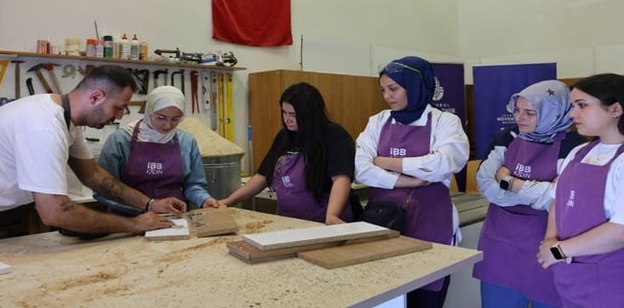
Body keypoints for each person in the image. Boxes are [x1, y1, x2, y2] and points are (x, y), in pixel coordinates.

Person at [0, 65, 186, 246]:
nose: (119, 116)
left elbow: (93, 175)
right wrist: (134, 224)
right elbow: (55, 213)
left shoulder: (68, 121)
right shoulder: (43, 127)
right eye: (118, 107)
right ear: (96, 96)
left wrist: (150, 204)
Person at [355, 56, 469, 308]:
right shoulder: (378, 121)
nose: (387, 96)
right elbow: (360, 169)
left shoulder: (445, 121)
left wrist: (384, 161)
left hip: (430, 226)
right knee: (387, 298)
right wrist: (408, 181)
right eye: (383, 90)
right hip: (383, 226)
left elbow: (444, 163)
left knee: (425, 298)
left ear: (415, 86)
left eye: (393, 89)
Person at [473, 80, 586, 308]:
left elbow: (561, 198)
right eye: (516, 110)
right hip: (500, 244)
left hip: (546, 244)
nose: (519, 118)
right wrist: (540, 193)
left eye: (530, 113)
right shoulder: (504, 138)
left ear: (554, 112)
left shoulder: (574, 147)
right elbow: (486, 186)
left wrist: (509, 182)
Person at [536, 73, 624, 307]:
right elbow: (557, 201)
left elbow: (620, 230)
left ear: (616, 109)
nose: (573, 114)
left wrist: (559, 250)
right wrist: (550, 239)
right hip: (572, 276)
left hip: (612, 280)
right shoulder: (579, 152)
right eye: (573, 106)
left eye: (582, 105)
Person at [219, 82, 356, 224]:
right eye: (284, 113)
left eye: (293, 115)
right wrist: (229, 201)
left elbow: (341, 179)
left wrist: (332, 215)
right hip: (288, 221)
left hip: (321, 221)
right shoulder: (284, 137)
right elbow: (262, 176)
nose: (287, 119)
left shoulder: (334, 136)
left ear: (310, 114)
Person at [97, 86, 219, 211]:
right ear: (149, 112)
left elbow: (193, 185)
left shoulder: (186, 142)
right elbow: (103, 189)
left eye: (176, 119)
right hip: (128, 218)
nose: (168, 125)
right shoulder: (120, 140)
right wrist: (146, 207)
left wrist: (204, 199)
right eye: (161, 118)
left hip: (174, 216)